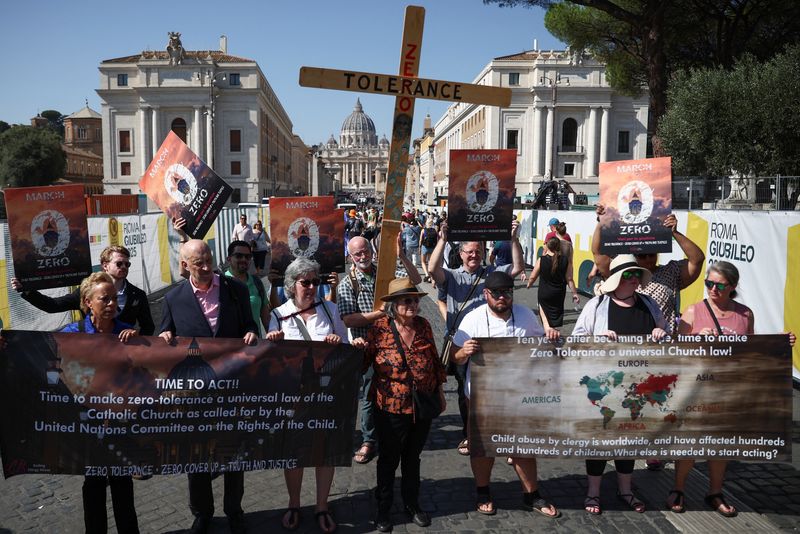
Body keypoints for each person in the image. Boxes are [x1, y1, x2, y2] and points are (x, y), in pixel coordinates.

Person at [668, 261, 796, 517]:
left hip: (729, 392)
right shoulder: (693, 312)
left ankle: (715, 492)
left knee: (721, 446)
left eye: (719, 285)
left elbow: (749, 348)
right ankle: (678, 489)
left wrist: (780, 342)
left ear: (732, 287)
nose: (713, 289)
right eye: (709, 284)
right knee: (689, 446)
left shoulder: (744, 314)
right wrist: (693, 339)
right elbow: (675, 352)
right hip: (697, 391)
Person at [158, 239, 258, 534]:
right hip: (195, 393)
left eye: (208, 260)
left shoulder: (235, 290)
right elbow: (164, 333)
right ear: (185, 265)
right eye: (198, 263)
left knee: (233, 451)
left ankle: (234, 509)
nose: (205, 267)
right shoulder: (173, 299)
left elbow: (249, 325)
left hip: (230, 387)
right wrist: (164, 335)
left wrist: (251, 333)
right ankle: (202, 511)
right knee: (196, 453)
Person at [450, 271, 559, 518]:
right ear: (485, 294)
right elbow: (453, 356)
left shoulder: (525, 315)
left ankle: (532, 495)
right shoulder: (472, 319)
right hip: (482, 396)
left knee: (523, 446)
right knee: (483, 448)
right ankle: (483, 491)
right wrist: (464, 351)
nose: (502, 297)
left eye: (507, 293)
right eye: (497, 293)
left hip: (518, 396)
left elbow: (540, 346)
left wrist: (550, 337)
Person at [571, 254, 668, 515]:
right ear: (616, 279)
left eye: (637, 274)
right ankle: (593, 493)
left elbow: (667, 336)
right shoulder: (597, 304)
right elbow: (577, 340)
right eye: (628, 275)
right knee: (600, 443)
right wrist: (598, 338)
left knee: (629, 440)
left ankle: (626, 490)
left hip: (639, 388)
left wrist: (662, 333)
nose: (634, 279)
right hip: (605, 388)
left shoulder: (648, 303)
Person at [351, 278, 446, 532]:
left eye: (415, 300)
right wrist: (359, 350)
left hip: (421, 405)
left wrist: (440, 393)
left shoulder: (424, 325)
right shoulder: (379, 329)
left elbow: (434, 361)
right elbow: (362, 366)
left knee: (412, 457)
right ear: (394, 304)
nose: (413, 304)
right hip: (390, 406)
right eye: (407, 300)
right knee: (389, 459)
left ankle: (412, 503)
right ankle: (383, 507)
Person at [265, 258, 348, 534]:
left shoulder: (331, 309)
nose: (312, 287)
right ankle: (294, 503)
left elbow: (346, 351)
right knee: (295, 452)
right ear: (292, 285)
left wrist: (338, 344)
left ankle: (322, 505)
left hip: (326, 393)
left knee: (325, 452)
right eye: (305, 282)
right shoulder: (278, 315)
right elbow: (270, 362)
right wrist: (272, 342)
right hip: (294, 396)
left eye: (315, 281)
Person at [428, 219, 525, 456]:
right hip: (462, 342)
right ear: (460, 254)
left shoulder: (491, 273)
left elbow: (517, 267)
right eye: (469, 252)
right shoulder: (452, 276)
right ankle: (469, 434)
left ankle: (500, 432)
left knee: (498, 388)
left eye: (478, 252)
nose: (474, 255)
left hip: (491, 343)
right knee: (465, 390)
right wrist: (442, 240)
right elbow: (432, 269)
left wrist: (514, 239)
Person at [61, 272, 139, 534]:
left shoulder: (125, 331)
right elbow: (41, 351)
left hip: (119, 420)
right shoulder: (73, 334)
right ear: (87, 302)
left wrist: (138, 342)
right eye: (104, 299)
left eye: (114, 299)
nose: (111, 304)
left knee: (121, 480)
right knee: (93, 483)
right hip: (88, 421)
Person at [338, 235, 421, 466]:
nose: (363, 256)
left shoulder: (385, 272)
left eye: (365, 251)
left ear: (372, 250)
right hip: (365, 348)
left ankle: (395, 434)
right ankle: (368, 439)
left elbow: (415, 280)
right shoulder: (348, 283)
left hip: (393, 344)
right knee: (368, 395)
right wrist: (381, 313)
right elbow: (348, 319)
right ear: (351, 257)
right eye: (357, 254)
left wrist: (401, 255)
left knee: (397, 390)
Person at [592, 206, 705, 334]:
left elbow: (697, 260)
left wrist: (674, 233)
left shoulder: (671, 272)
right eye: (642, 255)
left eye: (652, 254)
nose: (648, 259)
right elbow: (598, 254)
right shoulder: (622, 273)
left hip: (661, 344)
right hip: (625, 343)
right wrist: (601, 224)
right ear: (634, 255)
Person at [12, 245, 154, 335]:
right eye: (119, 263)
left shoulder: (138, 295)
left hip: (124, 357)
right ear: (105, 265)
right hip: (91, 352)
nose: (124, 267)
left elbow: (148, 327)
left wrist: (135, 341)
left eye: (127, 264)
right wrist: (27, 291)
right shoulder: (86, 291)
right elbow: (52, 305)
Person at [526, 237, 579, 337]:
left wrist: (529, 284)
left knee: (544, 315)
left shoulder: (541, 260)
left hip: (544, 293)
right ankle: (553, 335)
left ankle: (549, 335)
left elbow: (533, 276)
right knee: (554, 318)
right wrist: (574, 293)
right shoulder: (565, 260)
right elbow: (569, 279)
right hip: (559, 294)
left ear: (547, 246)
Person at [224, 240, 270, 335]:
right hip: (230, 346)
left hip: (255, 345)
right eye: (238, 256)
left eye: (248, 257)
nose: (244, 259)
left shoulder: (257, 282)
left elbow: (265, 316)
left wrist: (273, 338)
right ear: (228, 259)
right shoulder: (220, 283)